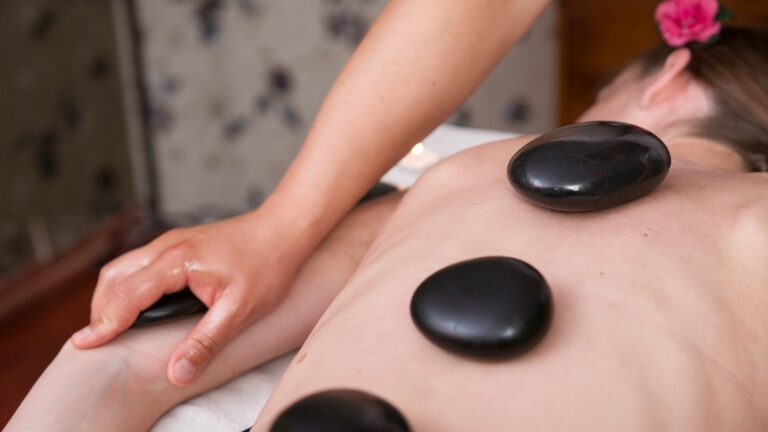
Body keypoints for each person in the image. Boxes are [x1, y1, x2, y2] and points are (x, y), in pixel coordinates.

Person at [8, 22, 768, 431]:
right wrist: (276, 228)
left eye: (597, 98)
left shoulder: (448, 181)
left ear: (672, 75)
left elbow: (126, 365)